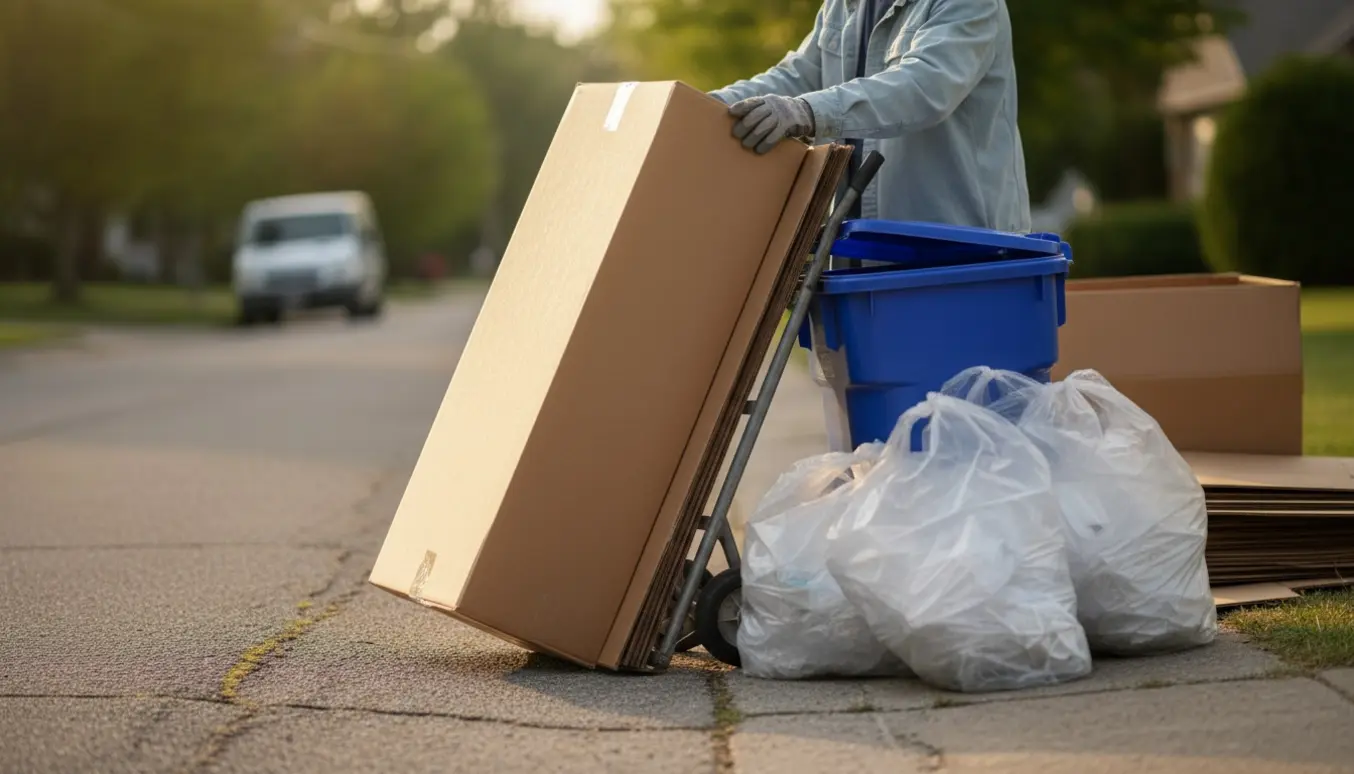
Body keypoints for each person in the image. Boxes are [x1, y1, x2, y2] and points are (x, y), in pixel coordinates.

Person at [709, 0, 1030, 234]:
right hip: (859, 246)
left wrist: (807, 111)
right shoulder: (844, 5)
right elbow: (799, 75)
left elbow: (923, 86)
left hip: (960, 254)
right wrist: (704, 106)